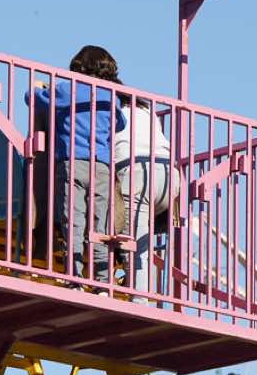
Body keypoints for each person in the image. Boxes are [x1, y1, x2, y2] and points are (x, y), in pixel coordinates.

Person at [30, 46, 118, 279]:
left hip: (72, 163)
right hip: (101, 166)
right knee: (100, 225)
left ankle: (75, 276)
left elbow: (32, 97)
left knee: (74, 221)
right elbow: (120, 123)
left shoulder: (66, 89)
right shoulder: (110, 96)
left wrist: (38, 87)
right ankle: (102, 282)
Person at [111, 85, 173, 287]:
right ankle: (140, 287)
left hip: (136, 172)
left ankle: (140, 297)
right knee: (141, 240)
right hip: (169, 176)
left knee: (134, 245)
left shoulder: (111, 109)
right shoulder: (147, 110)